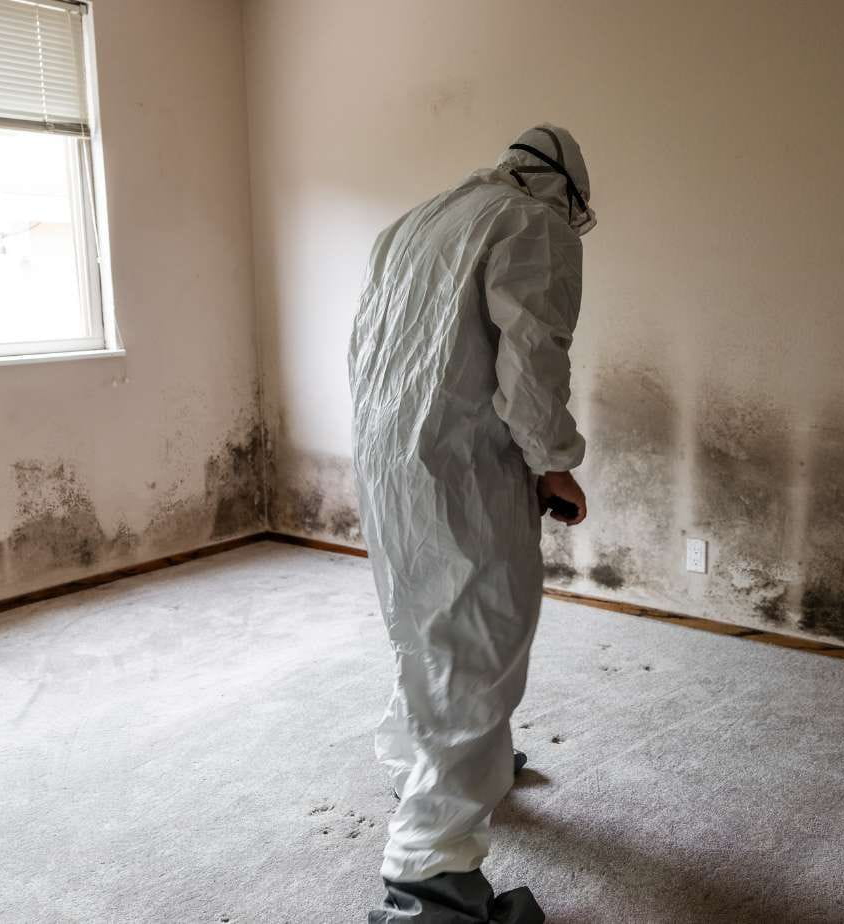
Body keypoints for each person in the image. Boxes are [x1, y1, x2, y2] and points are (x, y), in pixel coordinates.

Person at [348, 124, 596, 923]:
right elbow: (533, 356)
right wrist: (552, 460)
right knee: (482, 640)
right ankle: (430, 879)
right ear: (563, 188)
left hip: (391, 459)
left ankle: (429, 760)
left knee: (424, 624)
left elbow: (369, 347)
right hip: (464, 466)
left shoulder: (415, 222)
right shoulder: (533, 224)